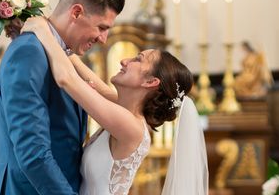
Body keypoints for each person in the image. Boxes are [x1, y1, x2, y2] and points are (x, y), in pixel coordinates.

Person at [22, 15, 208, 195]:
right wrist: (57, 33)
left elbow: (66, 79)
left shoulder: (131, 126)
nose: (124, 60)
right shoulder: (125, 109)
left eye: (138, 59)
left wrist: (42, 30)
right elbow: (94, 82)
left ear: (150, 82)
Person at [0, 0, 125, 195]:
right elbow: (33, 154)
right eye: (101, 27)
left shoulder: (65, 57)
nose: (103, 39)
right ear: (76, 12)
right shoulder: (28, 53)